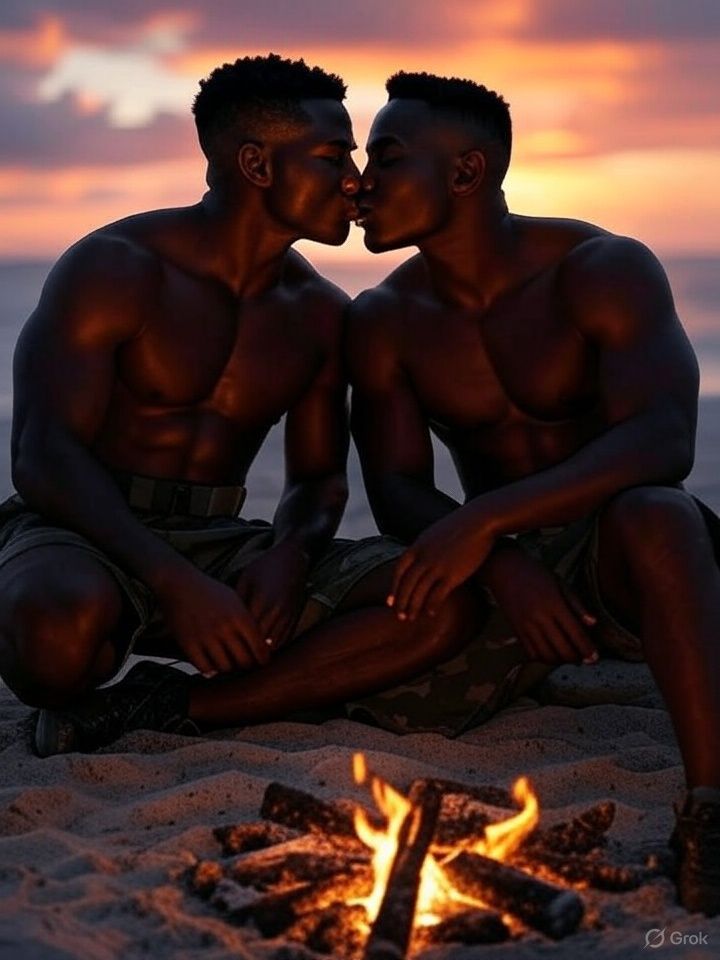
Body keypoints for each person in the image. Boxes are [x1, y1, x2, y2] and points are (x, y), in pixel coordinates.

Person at [0, 55, 475, 759]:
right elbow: (43, 457)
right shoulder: (116, 268)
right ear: (257, 164)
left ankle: (167, 706)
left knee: (438, 607)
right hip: (84, 527)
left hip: (219, 541)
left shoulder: (318, 313)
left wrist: (289, 552)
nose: (354, 179)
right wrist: (174, 582)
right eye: (331, 155)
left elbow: (317, 480)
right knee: (54, 640)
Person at [347, 71, 720, 915]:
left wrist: (487, 519)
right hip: (509, 583)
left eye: (388, 158)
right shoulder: (383, 320)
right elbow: (398, 485)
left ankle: (710, 810)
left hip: (628, 559)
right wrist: (503, 561)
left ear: (467, 174)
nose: (362, 182)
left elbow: (664, 442)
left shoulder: (601, 269)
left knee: (656, 511)